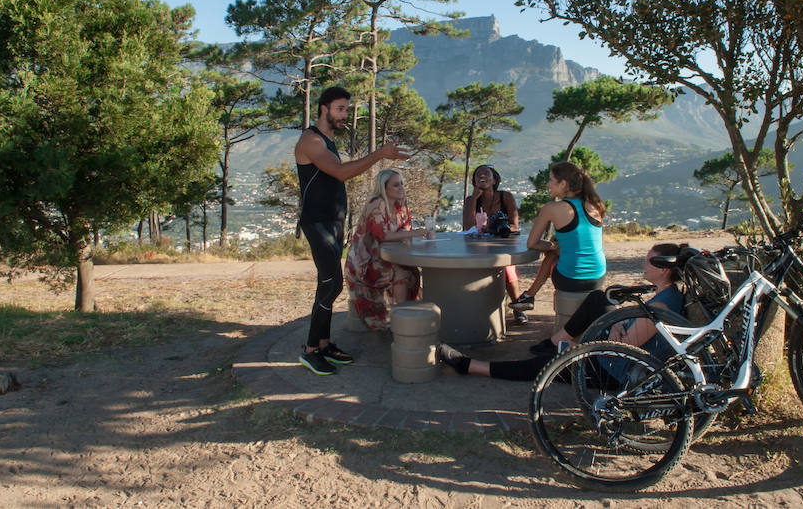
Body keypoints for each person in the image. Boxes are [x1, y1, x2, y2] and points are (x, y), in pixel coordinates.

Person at [437, 242, 687, 381]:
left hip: (614, 369)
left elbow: (622, 350)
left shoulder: (662, 307)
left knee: (542, 367)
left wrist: (614, 325)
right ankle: (556, 343)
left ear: (664, 269)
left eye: (648, 259)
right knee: (598, 298)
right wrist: (617, 321)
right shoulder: (667, 295)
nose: (643, 263)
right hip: (620, 346)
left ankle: (468, 365)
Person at [294, 86, 410, 376]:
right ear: (324, 109)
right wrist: (380, 154)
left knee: (332, 284)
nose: (346, 114)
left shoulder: (329, 141)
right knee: (330, 283)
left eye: (347, 109)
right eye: (340, 109)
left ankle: (324, 343)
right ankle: (310, 351)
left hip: (333, 221)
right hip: (317, 222)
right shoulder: (311, 140)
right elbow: (341, 173)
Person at [345, 169, 431, 330]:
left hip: (386, 257)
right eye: (396, 185)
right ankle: (403, 323)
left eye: (402, 184)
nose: (401, 188)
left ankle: (406, 313)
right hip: (366, 262)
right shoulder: (376, 204)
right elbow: (382, 235)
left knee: (412, 271)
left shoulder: (400, 205)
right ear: (384, 188)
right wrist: (418, 232)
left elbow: (404, 232)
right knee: (401, 273)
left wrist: (412, 236)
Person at [461, 165, 528, 325]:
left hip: (502, 244)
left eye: (486, 173)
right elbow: (467, 226)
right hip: (477, 245)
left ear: (495, 179)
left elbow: (514, 225)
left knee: (507, 269)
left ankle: (518, 306)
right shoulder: (471, 200)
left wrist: (495, 227)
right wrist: (474, 199)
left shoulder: (506, 197)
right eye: (478, 174)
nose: (482, 176)